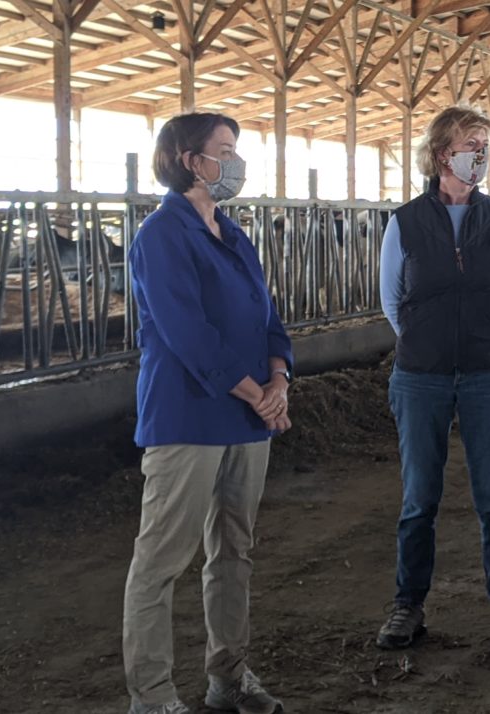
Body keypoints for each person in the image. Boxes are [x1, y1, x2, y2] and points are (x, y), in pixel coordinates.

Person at [122, 112, 293, 714]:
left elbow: (268, 316)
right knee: (163, 559)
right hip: (189, 417)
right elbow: (187, 334)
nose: (236, 163)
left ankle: (229, 678)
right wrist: (257, 393)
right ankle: (153, 696)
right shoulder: (161, 237)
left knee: (233, 551)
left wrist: (279, 378)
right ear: (192, 162)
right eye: (226, 150)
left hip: (249, 418)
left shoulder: (233, 232)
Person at [374, 103, 490, 656]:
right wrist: (425, 339)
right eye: (471, 145)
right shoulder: (405, 221)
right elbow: (393, 300)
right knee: (420, 498)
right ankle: (408, 604)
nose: (480, 156)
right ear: (443, 153)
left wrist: (479, 339)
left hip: (489, 372)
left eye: (485, 147)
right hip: (421, 374)